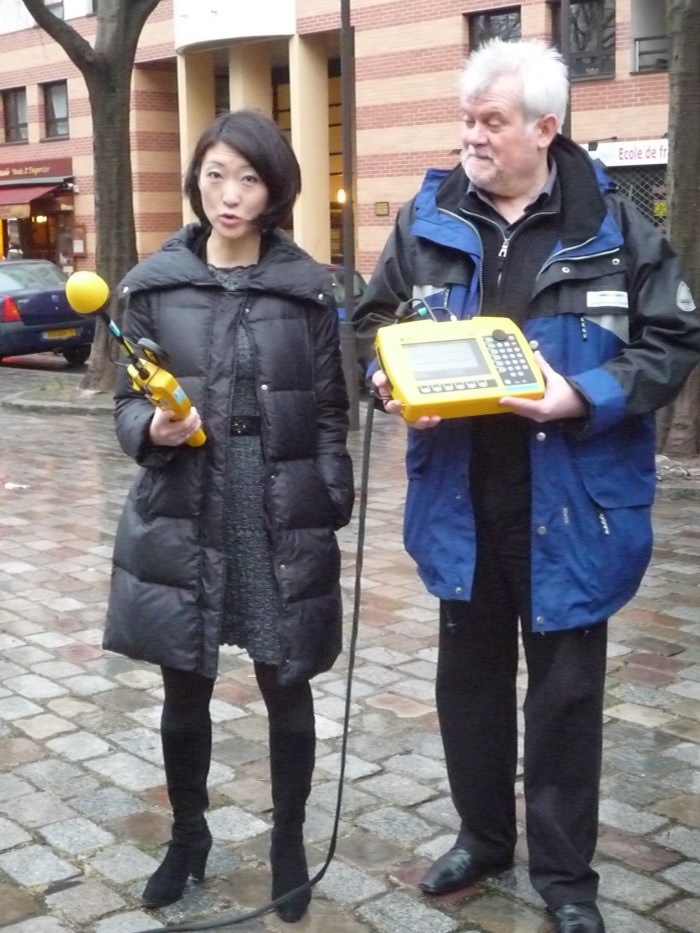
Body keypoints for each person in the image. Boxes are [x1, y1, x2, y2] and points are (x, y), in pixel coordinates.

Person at [352, 39, 700, 933]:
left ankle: (566, 875)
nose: (472, 136)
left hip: (575, 506)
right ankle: (481, 835)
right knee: (466, 686)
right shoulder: (426, 216)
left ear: (546, 129)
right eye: (466, 119)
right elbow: (373, 321)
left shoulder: (617, 226)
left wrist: (583, 394)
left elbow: (671, 341)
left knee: (566, 699)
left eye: (492, 121)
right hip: (459, 500)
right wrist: (386, 383)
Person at [103, 109, 354, 922]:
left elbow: (327, 411)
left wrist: (332, 495)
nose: (230, 193)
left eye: (248, 177)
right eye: (215, 174)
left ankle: (287, 839)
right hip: (188, 502)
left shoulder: (310, 291)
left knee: (288, 684)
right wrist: (153, 428)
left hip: (279, 506)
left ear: (276, 189)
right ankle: (188, 834)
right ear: (196, 180)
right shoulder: (153, 284)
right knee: (187, 685)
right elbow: (123, 407)